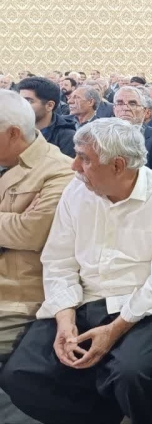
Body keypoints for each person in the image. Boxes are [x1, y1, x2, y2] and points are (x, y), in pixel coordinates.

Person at [0, 118, 152, 424]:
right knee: (20, 375)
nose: (74, 166)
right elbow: (58, 261)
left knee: (130, 374)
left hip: (146, 307)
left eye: (84, 158)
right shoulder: (76, 191)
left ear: (118, 165)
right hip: (85, 299)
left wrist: (113, 331)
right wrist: (65, 321)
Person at [0, 90, 73, 366]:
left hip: (19, 297)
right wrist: (14, 221)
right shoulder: (5, 160)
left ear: (13, 133)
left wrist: (22, 226)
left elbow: (31, 233)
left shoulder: (60, 171)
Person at [114, 86, 152, 177]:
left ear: (144, 111)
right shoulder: (100, 138)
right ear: (114, 109)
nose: (125, 108)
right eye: (120, 103)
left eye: (132, 103)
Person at [17, 77, 76, 158]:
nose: (21, 106)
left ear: (49, 105)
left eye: (29, 101)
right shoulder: (15, 131)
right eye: (20, 101)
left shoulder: (67, 137)